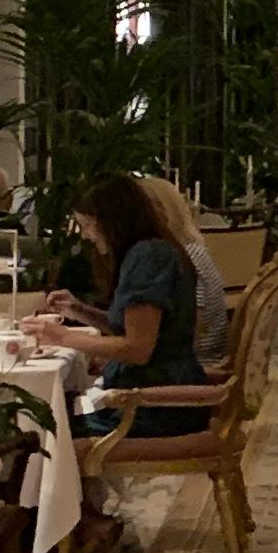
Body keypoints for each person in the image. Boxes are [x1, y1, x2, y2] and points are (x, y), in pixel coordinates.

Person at [44, 172, 207, 439]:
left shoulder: (149, 257)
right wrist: (78, 310)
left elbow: (137, 348)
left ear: (112, 221)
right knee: (58, 411)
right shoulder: (148, 252)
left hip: (156, 404)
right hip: (151, 394)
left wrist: (63, 337)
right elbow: (133, 327)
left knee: (47, 429)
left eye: (88, 225)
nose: (86, 236)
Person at [135, 176, 230, 373]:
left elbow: (191, 334)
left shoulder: (186, 258)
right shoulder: (189, 250)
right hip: (190, 361)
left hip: (197, 367)